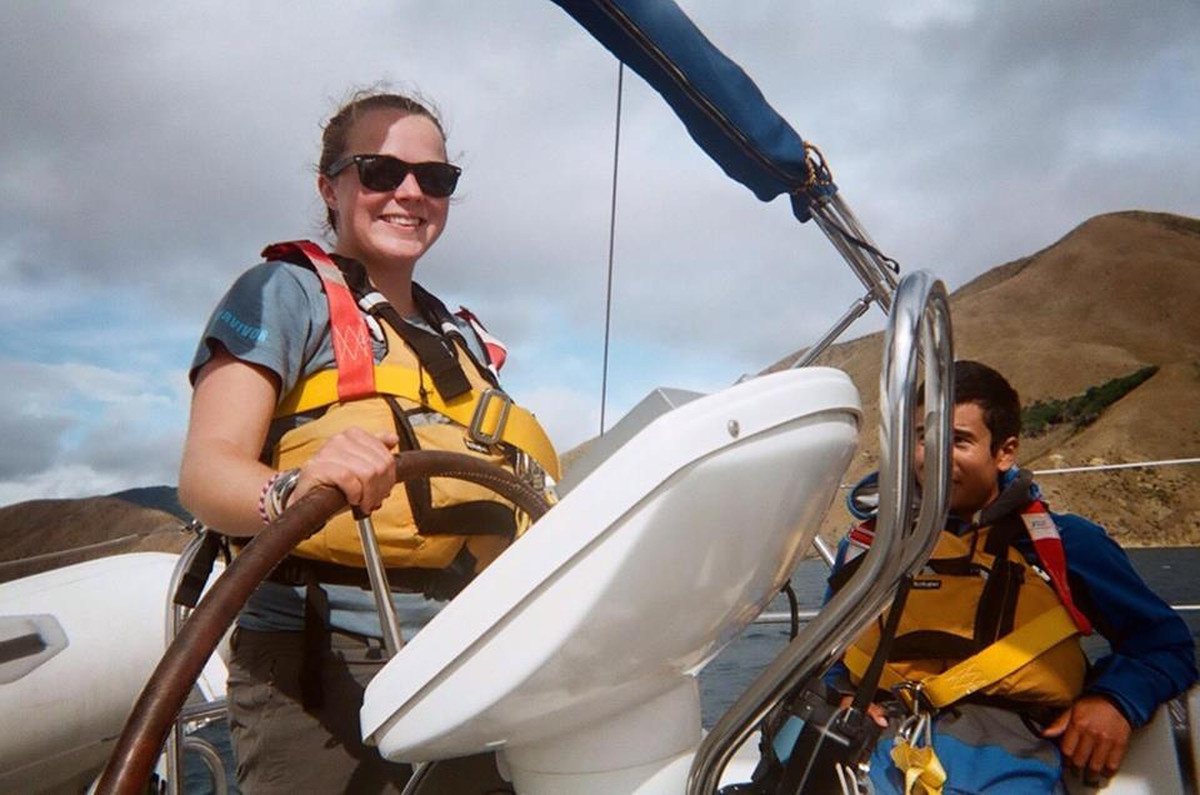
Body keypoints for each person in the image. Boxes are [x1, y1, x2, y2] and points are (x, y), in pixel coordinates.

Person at [179, 90, 557, 793]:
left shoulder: (465, 338)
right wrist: (293, 488)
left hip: (466, 659)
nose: (410, 193)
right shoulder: (281, 295)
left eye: (435, 179)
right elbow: (204, 472)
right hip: (316, 663)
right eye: (380, 171)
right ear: (330, 186)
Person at [817, 360, 1196, 793]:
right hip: (875, 758)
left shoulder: (1064, 544)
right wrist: (841, 697)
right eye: (924, 438)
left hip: (1006, 765)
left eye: (959, 441)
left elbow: (1165, 645)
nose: (935, 459)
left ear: (1004, 452)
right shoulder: (871, 548)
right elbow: (823, 657)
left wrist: (1114, 699)